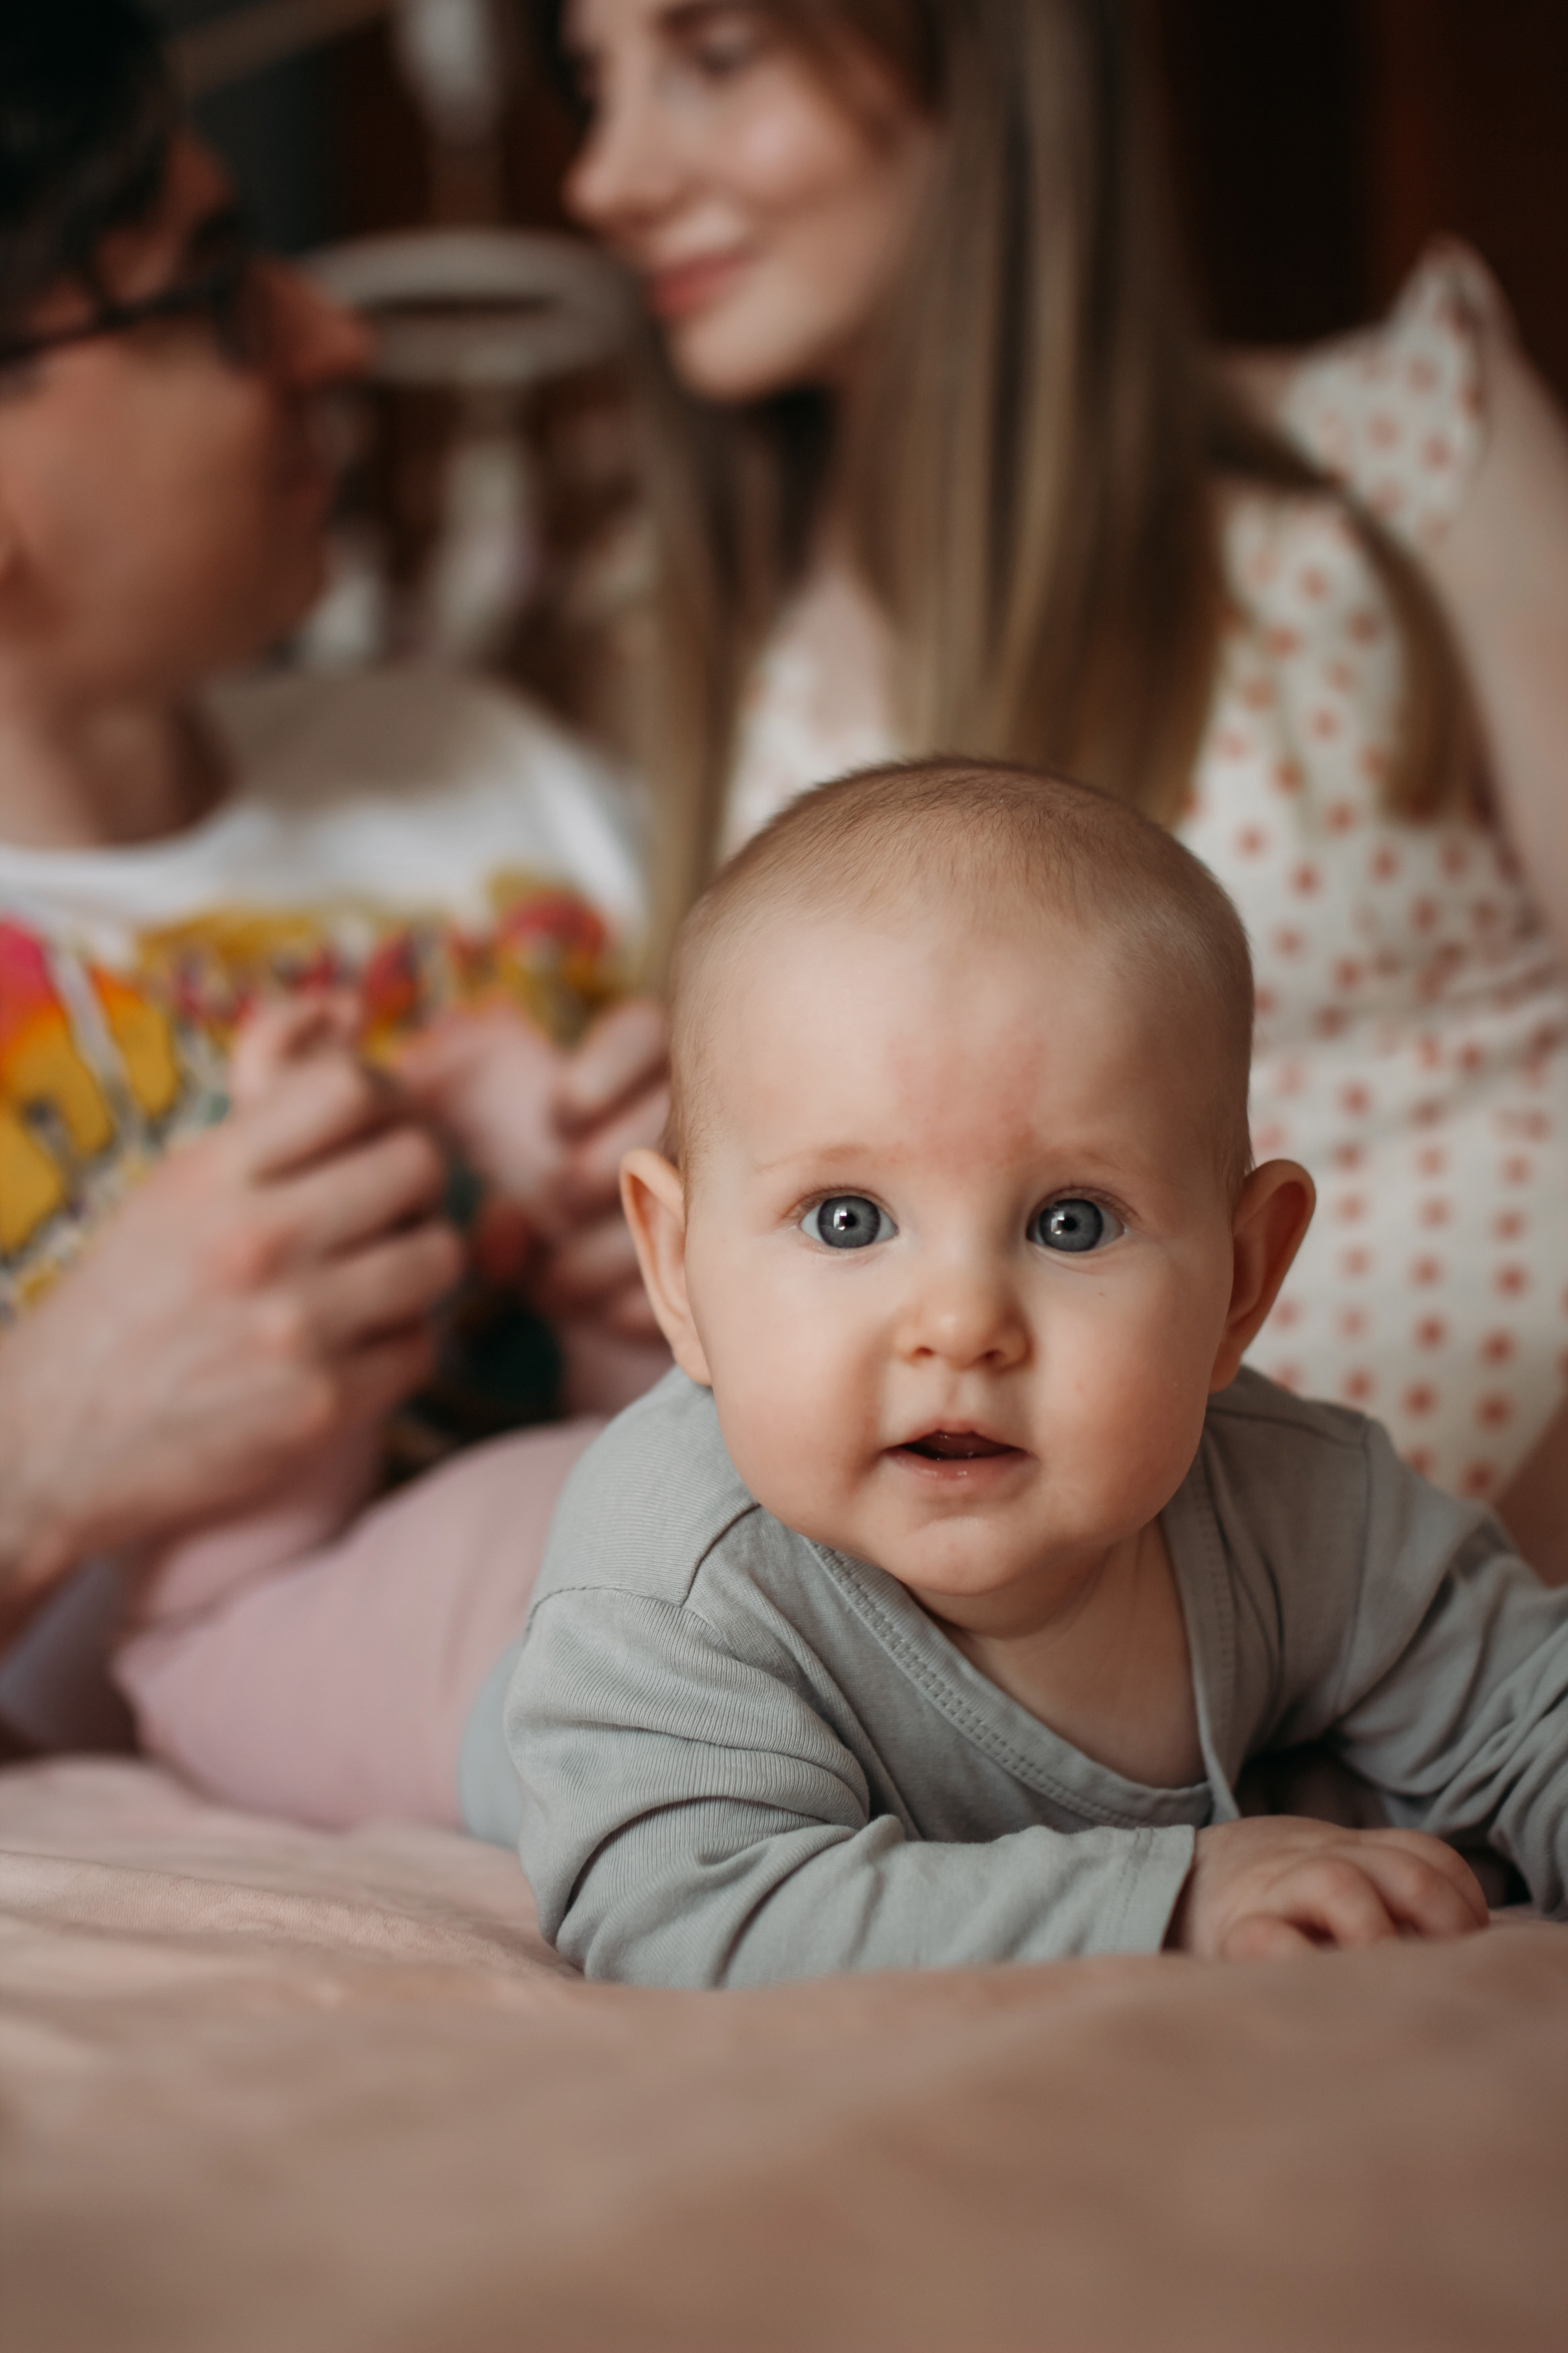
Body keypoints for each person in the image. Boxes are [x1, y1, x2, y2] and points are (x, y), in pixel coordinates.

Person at [533, 0, 1568, 1573]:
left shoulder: (1403, 456)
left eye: (716, 54)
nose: (605, 178)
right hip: (1077, 1705)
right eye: (590, 84)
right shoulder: (683, 655)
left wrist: (1477, 1623)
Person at [507, 760, 1568, 1986]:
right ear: (678, 1271)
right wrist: (1173, 1893)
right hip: (455, 1604)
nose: (959, 1325)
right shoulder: (662, 1590)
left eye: (1071, 1223)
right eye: (847, 1219)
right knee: (260, 1657)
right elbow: (686, 1910)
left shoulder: (1303, 1509)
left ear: (1240, 1280)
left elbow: (1531, 1717)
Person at [0, 0, 669, 1740]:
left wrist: (740, 1186)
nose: (332, 341)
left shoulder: (482, 757)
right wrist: (42, 1452)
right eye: (217, 290)